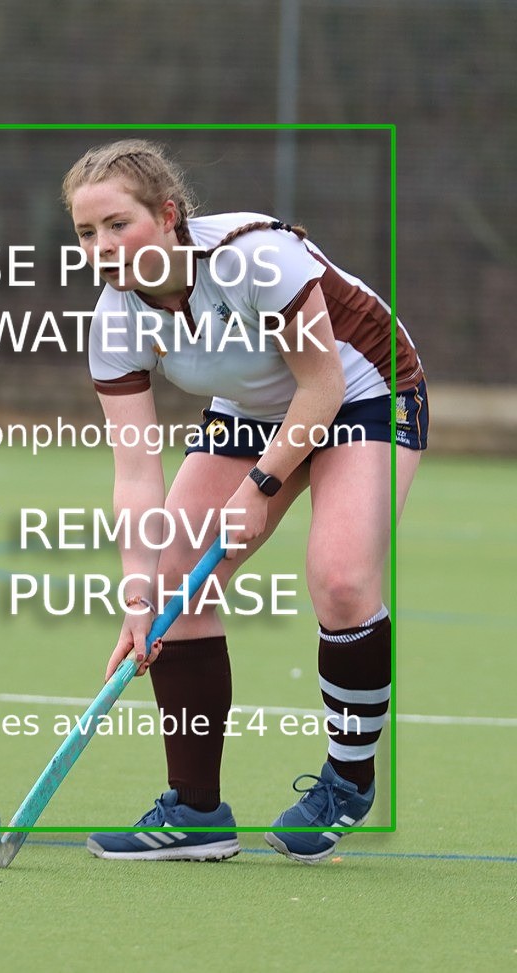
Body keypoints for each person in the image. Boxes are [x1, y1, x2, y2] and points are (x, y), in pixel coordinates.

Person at [61, 139, 426, 864]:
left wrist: (261, 486)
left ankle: (347, 782)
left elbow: (321, 386)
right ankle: (196, 810)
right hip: (255, 409)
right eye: (86, 233)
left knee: (341, 579)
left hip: (363, 389)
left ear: (168, 215)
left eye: (118, 225)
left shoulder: (251, 258)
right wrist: (138, 595)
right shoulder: (115, 321)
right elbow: (136, 473)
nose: (102, 247)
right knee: (175, 579)